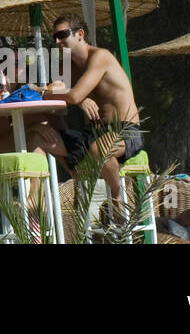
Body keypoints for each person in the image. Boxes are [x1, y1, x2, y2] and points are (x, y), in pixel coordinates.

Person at [41, 15, 143, 203]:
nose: (57, 41)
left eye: (62, 35)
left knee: (98, 149)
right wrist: (78, 100)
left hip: (125, 130)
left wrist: (75, 97)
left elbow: (71, 95)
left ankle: (116, 197)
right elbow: (54, 96)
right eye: (54, 37)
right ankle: (74, 172)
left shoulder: (100, 56)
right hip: (94, 133)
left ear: (80, 34)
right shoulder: (66, 67)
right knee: (38, 138)